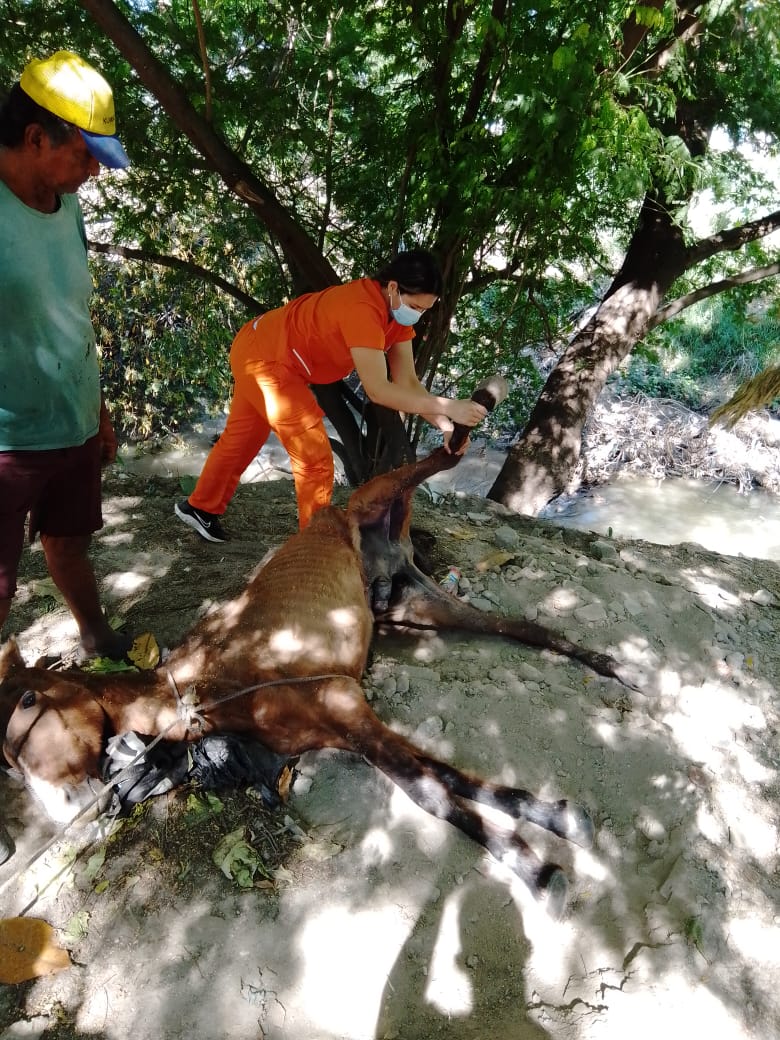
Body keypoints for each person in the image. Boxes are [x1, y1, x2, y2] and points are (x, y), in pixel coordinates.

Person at [175, 250, 487, 540]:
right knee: (314, 459)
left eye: (424, 310)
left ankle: (198, 508)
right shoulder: (362, 309)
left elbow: (407, 383)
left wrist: (446, 425)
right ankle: (315, 550)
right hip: (266, 359)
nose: (418, 315)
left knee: (241, 439)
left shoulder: (395, 318)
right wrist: (449, 406)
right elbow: (378, 390)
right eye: (416, 307)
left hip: (260, 347)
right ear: (393, 287)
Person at [0, 50, 132, 660]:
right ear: (35, 137)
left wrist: (98, 414)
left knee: (69, 540)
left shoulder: (67, 204)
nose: (95, 173)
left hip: (72, 421)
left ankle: (95, 633)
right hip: (9, 439)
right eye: (85, 155)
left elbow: (71, 315)